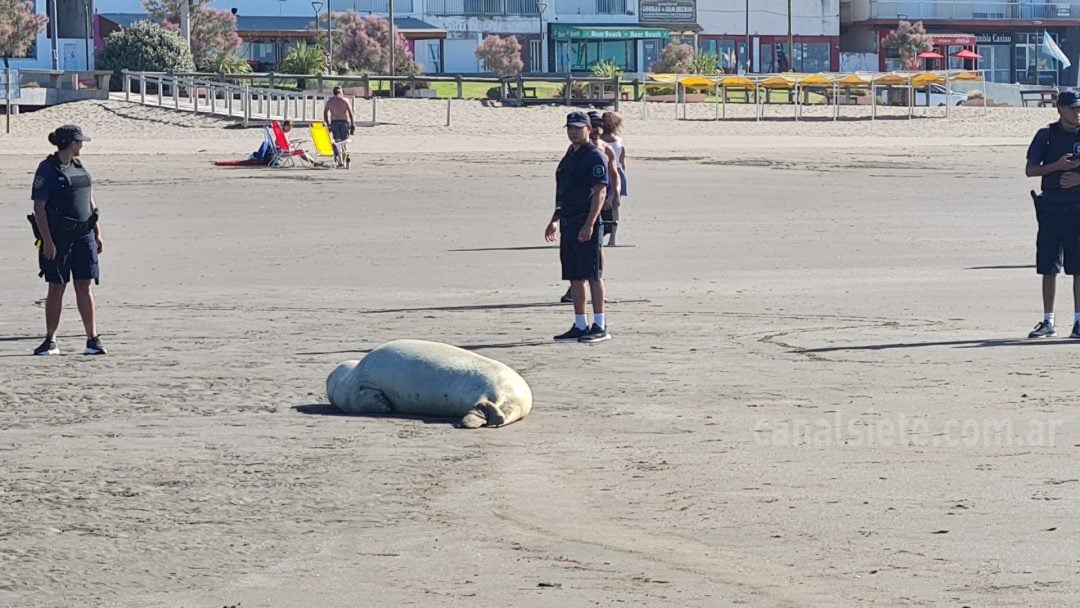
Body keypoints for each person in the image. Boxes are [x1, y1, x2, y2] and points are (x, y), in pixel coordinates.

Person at [30, 124, 106, 355]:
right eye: (80, 141)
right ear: (72, 144)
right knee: (57, 287)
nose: (82, 145)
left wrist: (97, 231)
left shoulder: (79, 165)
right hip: (59, 238)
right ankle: (51, 340)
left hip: (84, 235)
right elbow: (39, 209)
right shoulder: (47, 170)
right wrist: (48, 242)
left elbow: (89, 200)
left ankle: (92, 340)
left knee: (84, 286)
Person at [545, 111, 611, 343]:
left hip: (586, 220)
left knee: (593, 274)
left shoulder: (594, 155)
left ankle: (600, 324)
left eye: (578, 127)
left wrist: (590, 224)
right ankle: (580, 324)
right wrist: (555, 218)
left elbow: (600, 191)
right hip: (568, 221)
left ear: (589, 129)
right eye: (570, 128)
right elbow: (563, 190)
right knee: (574, 276)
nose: (573, 132)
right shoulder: (570, 155)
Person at [1025, 90, 1080, 338]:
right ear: (1059, 109)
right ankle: (1048, 320)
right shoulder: (1046, 136)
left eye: (1079, 109)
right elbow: (1031, 170)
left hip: (1077, 210)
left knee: (1078, 268)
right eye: (1073, 108)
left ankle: (1078, 321)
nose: (1077, 113)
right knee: (1048, 266)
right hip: (1050, 210)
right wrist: (1057, 166)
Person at [559, 112, 621, 303]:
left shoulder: (603, 150)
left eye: (597, 126)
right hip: (574, 210)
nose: (597, 130)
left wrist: (615, 194)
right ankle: (576, 289)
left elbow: (615, 174)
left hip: (599, 203)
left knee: (596, 247)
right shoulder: (573, 151)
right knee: (579, 260)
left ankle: (597, 284)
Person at [600, 111, 626, 246]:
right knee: (615, 207)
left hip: (604, 173)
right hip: (618, 173)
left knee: (599, 204)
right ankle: (612, 239)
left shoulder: (599, 141)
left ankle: (600, 235)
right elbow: (622, 161)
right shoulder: (619, 141)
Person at [323, 86, 355, 169]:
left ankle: (340, 161)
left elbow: (325, 113)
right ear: (341, 92)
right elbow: (351, 113)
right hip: (344, 122)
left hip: (334, 123)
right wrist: (352, 124)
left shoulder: (330, 102)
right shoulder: (345, 100)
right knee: (344, 143)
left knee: (337, 142)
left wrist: (328, 124)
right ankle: (344, 161)